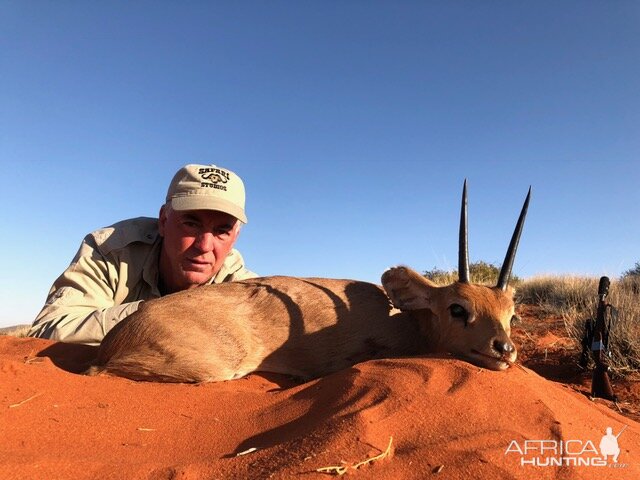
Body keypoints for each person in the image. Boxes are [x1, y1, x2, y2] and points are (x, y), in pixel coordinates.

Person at [28, 164, 257, 345]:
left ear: (235, 236)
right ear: (164, 221)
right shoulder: (111, 249)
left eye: (222, 231)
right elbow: (49, 330)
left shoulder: (243, 287)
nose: (205, 245)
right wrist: (161, 315)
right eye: (191, 224)